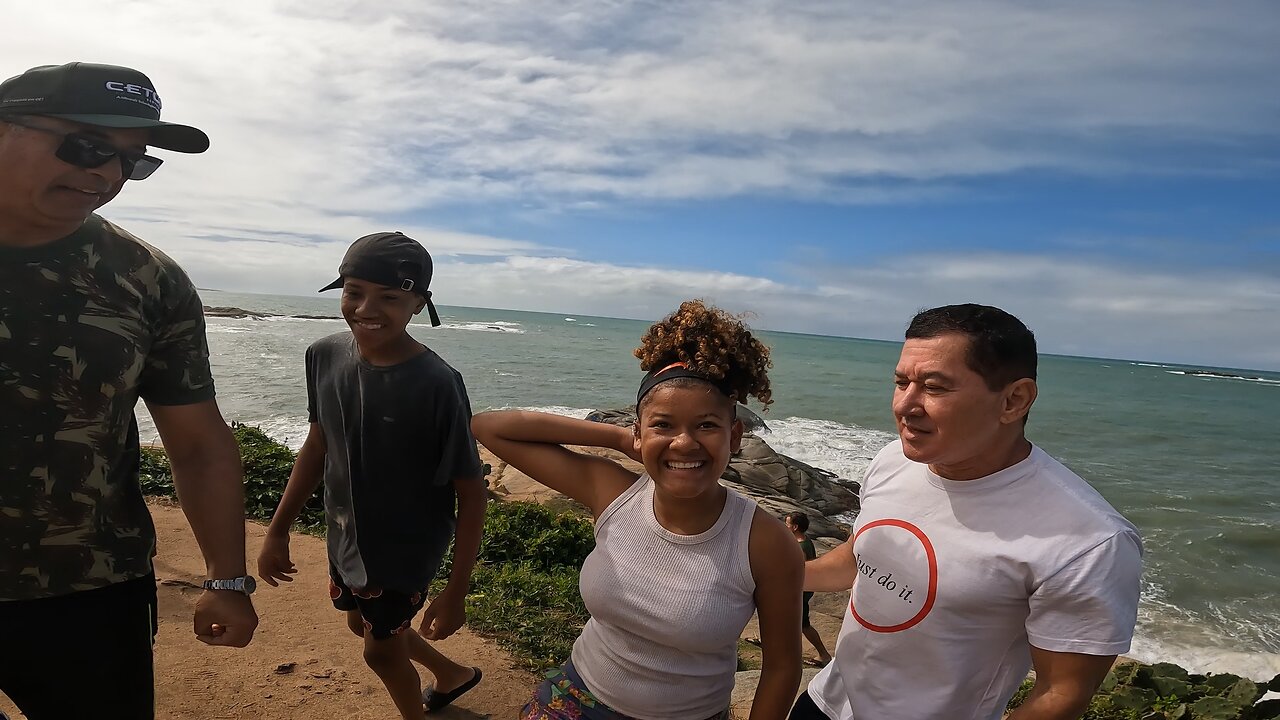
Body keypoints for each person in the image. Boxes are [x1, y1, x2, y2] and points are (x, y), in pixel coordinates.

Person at [0, 62, 258, 718]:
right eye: (86, 146)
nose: (107, 176)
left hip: (86, 592)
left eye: (131, 162)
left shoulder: (148, 280)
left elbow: (198, 444)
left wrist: (228, 579)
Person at [791, 304, 1143, 720]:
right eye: (901, 382)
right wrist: (759, 573)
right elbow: (859, 559)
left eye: (934, 387)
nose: (906, 405)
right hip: (824, 702)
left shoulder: (1087, 540)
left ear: (1014, 400)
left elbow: (1060, 694)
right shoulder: (894, 460)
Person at [473, 300, 804, 720]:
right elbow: (489, 427)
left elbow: (781, 668)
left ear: (734, 434)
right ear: (639, 431)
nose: (684, 443)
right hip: (578, 697)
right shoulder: (612, 492)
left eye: (706, 425)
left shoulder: (765, 542)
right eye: (663, 425)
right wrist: (615, 438)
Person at [257, 231, 487, 719]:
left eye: (390, 297)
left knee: (380, 651)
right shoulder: (323, 354)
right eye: (353, 291)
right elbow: (317, 445)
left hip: (403, 548)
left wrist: (456, 590)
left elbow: (471, 491)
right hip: (345, 535)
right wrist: (277, 530)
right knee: (366, 627)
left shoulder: (438, 384)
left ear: (418, 303)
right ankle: (452, 675)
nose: (366, 308)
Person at [784, 511, 833, 667]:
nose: (785, 526)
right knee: (794, 623)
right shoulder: (807, 540)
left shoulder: (799, 547)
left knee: (803, 625)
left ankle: (824, 655)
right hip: (804, 589)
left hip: (800, 591)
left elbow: (798, 570)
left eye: (788, 523)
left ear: (795, 527)